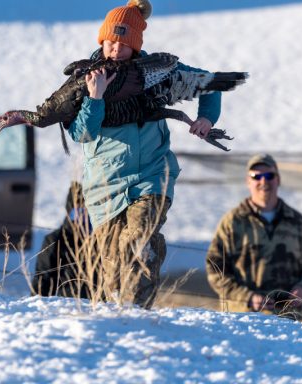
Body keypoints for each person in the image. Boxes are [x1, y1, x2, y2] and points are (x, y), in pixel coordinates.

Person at [67, 0, 222, 309]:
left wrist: (206, 118)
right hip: (105, 188)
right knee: (114, 262)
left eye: (124, 43)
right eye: (110, 41)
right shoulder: (88, 78)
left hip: (152, 175)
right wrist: (95, 98)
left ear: (136, 44)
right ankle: (123, 311)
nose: (115, 49)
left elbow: (209, 83)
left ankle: (137, 316)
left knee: (138, 239)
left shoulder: (159, 71)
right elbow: (81, 134)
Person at [205, 154, 302, 320]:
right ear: (248, 181)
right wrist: (247, 297)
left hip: (287, 322)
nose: (263, 181)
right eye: (256, 176)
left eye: (269, 176)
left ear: (278, 179)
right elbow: (215, 269)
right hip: (241, 320)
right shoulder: (232, 222)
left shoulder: (298, 223)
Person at [32, 181, 93, 298]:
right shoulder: (55, 240)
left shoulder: (102, 241)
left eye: (87, 212)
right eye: (78, 211)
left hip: (100, 306)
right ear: (70, 211)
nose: (82, 216)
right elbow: (43, 280)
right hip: (64, 304)